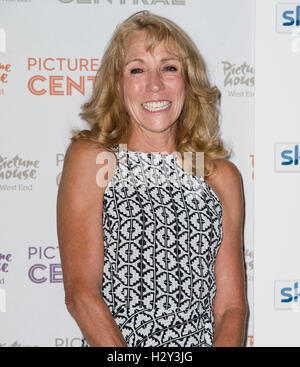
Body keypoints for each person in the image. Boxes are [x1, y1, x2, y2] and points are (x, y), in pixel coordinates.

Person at [56, 10, 247, 347]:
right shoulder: (94, 159)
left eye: (169, 68)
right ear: (117, 84)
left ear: (187, 79)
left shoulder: (220, 176)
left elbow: (232, 308)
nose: (154, 84)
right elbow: (81, 295)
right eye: (137, 69)